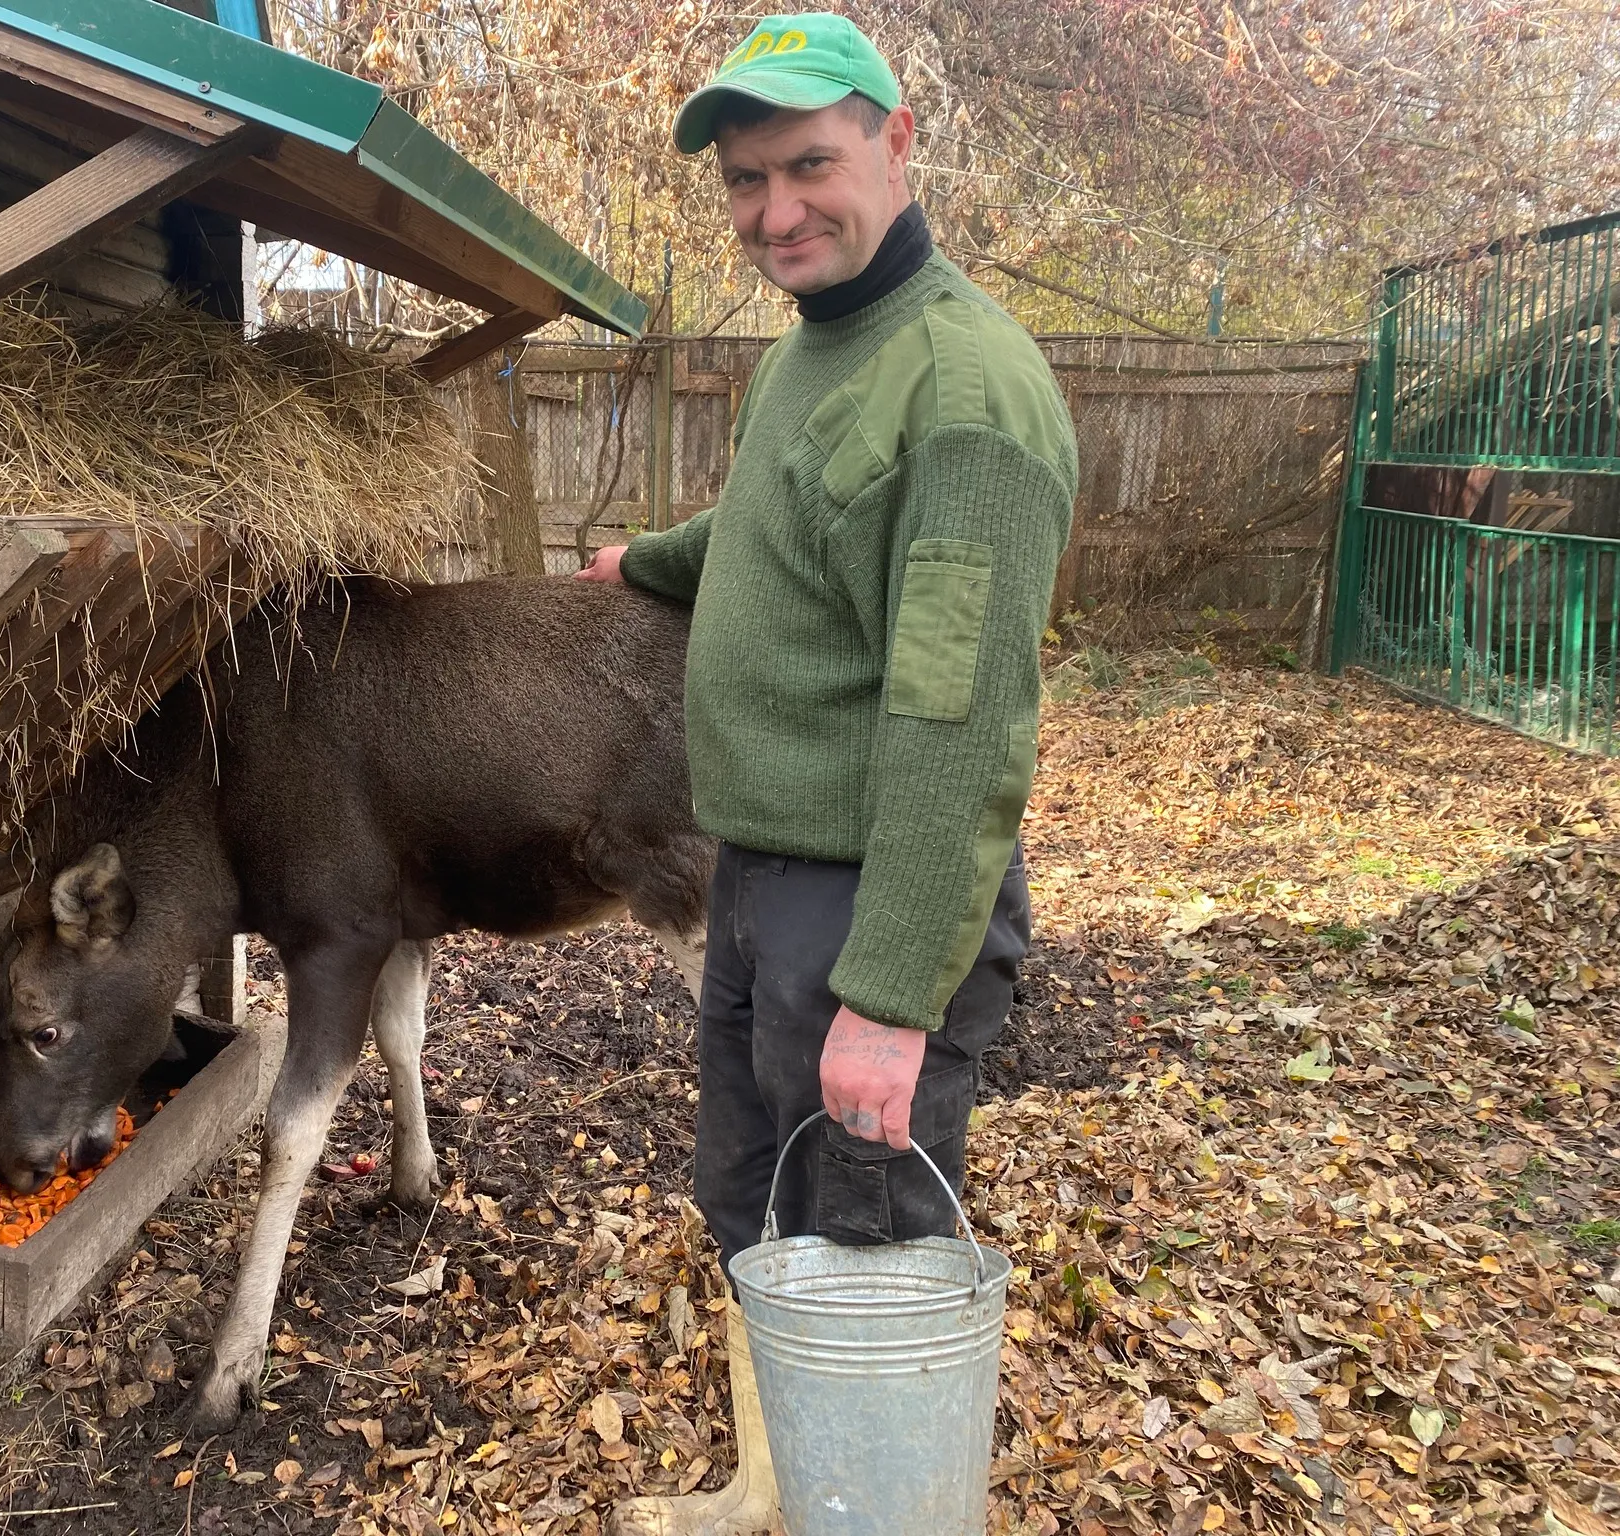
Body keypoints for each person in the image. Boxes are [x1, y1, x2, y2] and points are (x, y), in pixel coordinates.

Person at [576, 15, 1077, 1534]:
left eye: (809, 165)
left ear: (897, 142)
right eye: (745, 178)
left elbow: (958, 724)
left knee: (860, 1260)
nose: (775, 209)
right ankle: (774, 1492)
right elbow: (773, 523)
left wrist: (893, 998)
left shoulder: (963, 397)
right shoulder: (832, 344)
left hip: (868, 908)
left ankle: (874, 1510)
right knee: (761, 1214)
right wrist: (640, 563)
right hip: (769, 883)